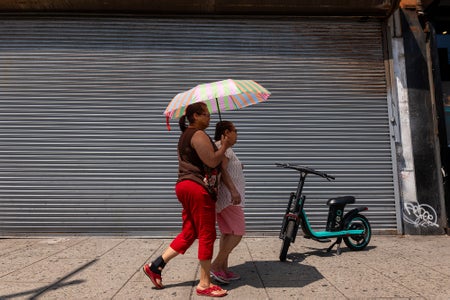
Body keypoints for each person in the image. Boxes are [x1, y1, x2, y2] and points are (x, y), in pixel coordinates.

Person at [143, 102, 235, 298]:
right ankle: (204, 284)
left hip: (186, 186)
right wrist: (225, 145)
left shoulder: (187, 135)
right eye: (205, 115)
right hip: (197, 188)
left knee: (190, 232)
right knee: (207, 233)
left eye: (209, 115)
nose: (209, 118)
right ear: (194, 116)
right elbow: (211, 161)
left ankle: (156, 266)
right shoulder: (198, 134)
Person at [210, 121, 246, 284]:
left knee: (227, 233)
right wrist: (233, 191)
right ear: (227, 132)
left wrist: (238, 167)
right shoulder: (223, 148)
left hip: (224, 199)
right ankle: (216, 266)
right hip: (229, 199)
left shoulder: (220, 147)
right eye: (235, 131)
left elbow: (226, 167)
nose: (237, 134)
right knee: (238, 233)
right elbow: (222, 171)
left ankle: (224, 269)